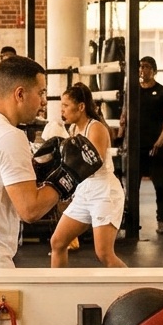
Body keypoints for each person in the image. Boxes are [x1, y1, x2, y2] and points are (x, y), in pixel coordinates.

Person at [0, 56, 101, 269]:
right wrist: (68, 177)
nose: (43, 101)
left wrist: (38, 174)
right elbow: (30, 210)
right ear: (20, 94)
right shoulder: (9, 136)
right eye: (40, 92)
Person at [49, 83, 126, 268]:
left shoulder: (96, 128)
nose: (62, 110)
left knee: (104, 254)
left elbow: (93, 163)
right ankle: (57, 285)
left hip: (103, 192)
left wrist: (66, 165)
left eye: (66, 105)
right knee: (58, 243)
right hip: (85, 191)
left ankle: (137, 286)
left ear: (81, 107)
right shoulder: (74, 129)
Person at [120, 56, 163, 234]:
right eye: (140, 66)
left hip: (155, 148)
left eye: (146, 66)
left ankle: (161, 222)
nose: (142, 70)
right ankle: (130, 222)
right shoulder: (132, 91)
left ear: (154, 70)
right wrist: (120, 138)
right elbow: (124, 115)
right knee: (131, 188)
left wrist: (161, 140)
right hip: (135, 147)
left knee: (160, 187)